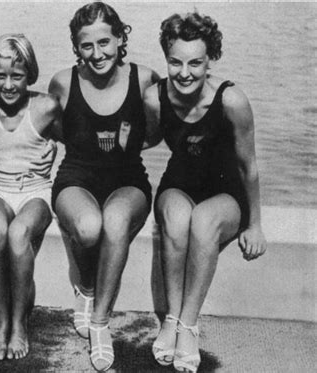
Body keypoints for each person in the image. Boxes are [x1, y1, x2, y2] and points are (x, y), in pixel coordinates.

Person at [143, 12, 267, 372]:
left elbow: (249, 167)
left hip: (225, 192)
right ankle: (170, 320)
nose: (184, 73)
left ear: (210, 58)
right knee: (178, 218)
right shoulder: (154, 99)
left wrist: (255, 224)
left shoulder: (232, 101)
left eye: (195, 63)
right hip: (178, 183)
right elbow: (148, 137)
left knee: (203, 220)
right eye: (175, 62)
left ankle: (188, 325)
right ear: (165, 57)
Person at [48, 2, 160, 371]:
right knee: (89, 226)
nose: (97, 54)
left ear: (120, 37)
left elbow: (156, 134)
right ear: (76, 47)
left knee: (113, 221)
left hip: (127, 180)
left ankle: (99, 323)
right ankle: (87, 288)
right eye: (86, 46)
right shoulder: (63, 83)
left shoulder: (144, 79)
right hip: (76, 176)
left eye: (105, 42)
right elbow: (61, 136)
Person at [0, 34, 60, 360]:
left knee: (19, 233)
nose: (8, 85)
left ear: (30, 75)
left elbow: (76, 143)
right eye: (1, 76)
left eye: (17, 76)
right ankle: (1, 320)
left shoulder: (46, 107)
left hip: (35, 191)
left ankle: (20, 323)